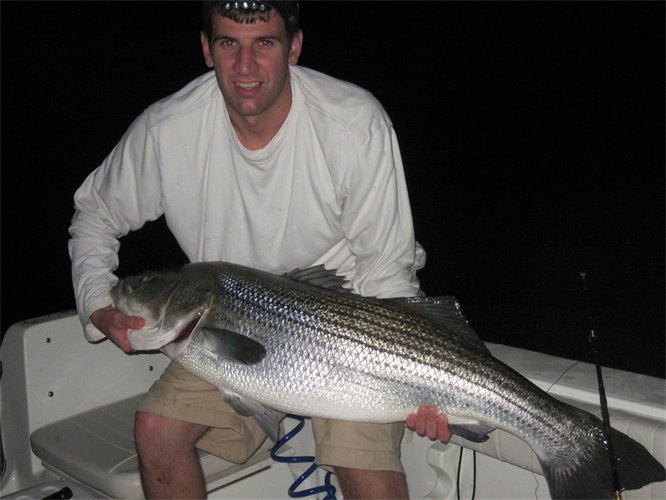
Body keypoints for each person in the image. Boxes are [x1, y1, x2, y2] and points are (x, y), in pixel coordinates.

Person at [68, 1, 451, 498]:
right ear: (207, 49)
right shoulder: (167, 130)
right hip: (224, 318)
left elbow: (386, 275)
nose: (244, 67)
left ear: (293, 46)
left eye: (264, 43)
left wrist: (421, 380)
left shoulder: (354, 124)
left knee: (364, 470)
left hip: (350, 325)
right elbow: (95, 214)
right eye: (229, 43)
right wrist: (98, 302)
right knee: (155, 432)